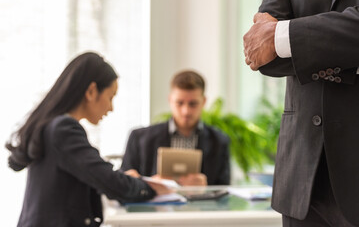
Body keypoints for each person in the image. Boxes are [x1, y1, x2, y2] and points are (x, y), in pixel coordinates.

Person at [5, 52, 169, 227]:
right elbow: (108, 182)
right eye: (110, 97)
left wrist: (124, 178)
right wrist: (150, 187)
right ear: (91, 91)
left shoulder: (55, 126)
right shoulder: (64, 129)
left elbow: (94, 176)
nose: (111, 108)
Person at [243, 0, 359, 226]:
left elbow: (271, 40)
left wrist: (282, 37)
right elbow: (262, 54)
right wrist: (347, 55)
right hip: (302, 175)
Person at [121, 70, 230, 186]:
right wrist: (149, 185)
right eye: (180, 103)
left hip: (200, 203)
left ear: (203, 102)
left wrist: (205, 189)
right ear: (170, 100)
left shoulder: (220, 141)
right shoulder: (139, 138)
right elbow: (123, 184)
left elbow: (224, 191)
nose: (186, 111)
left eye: (193, 104)